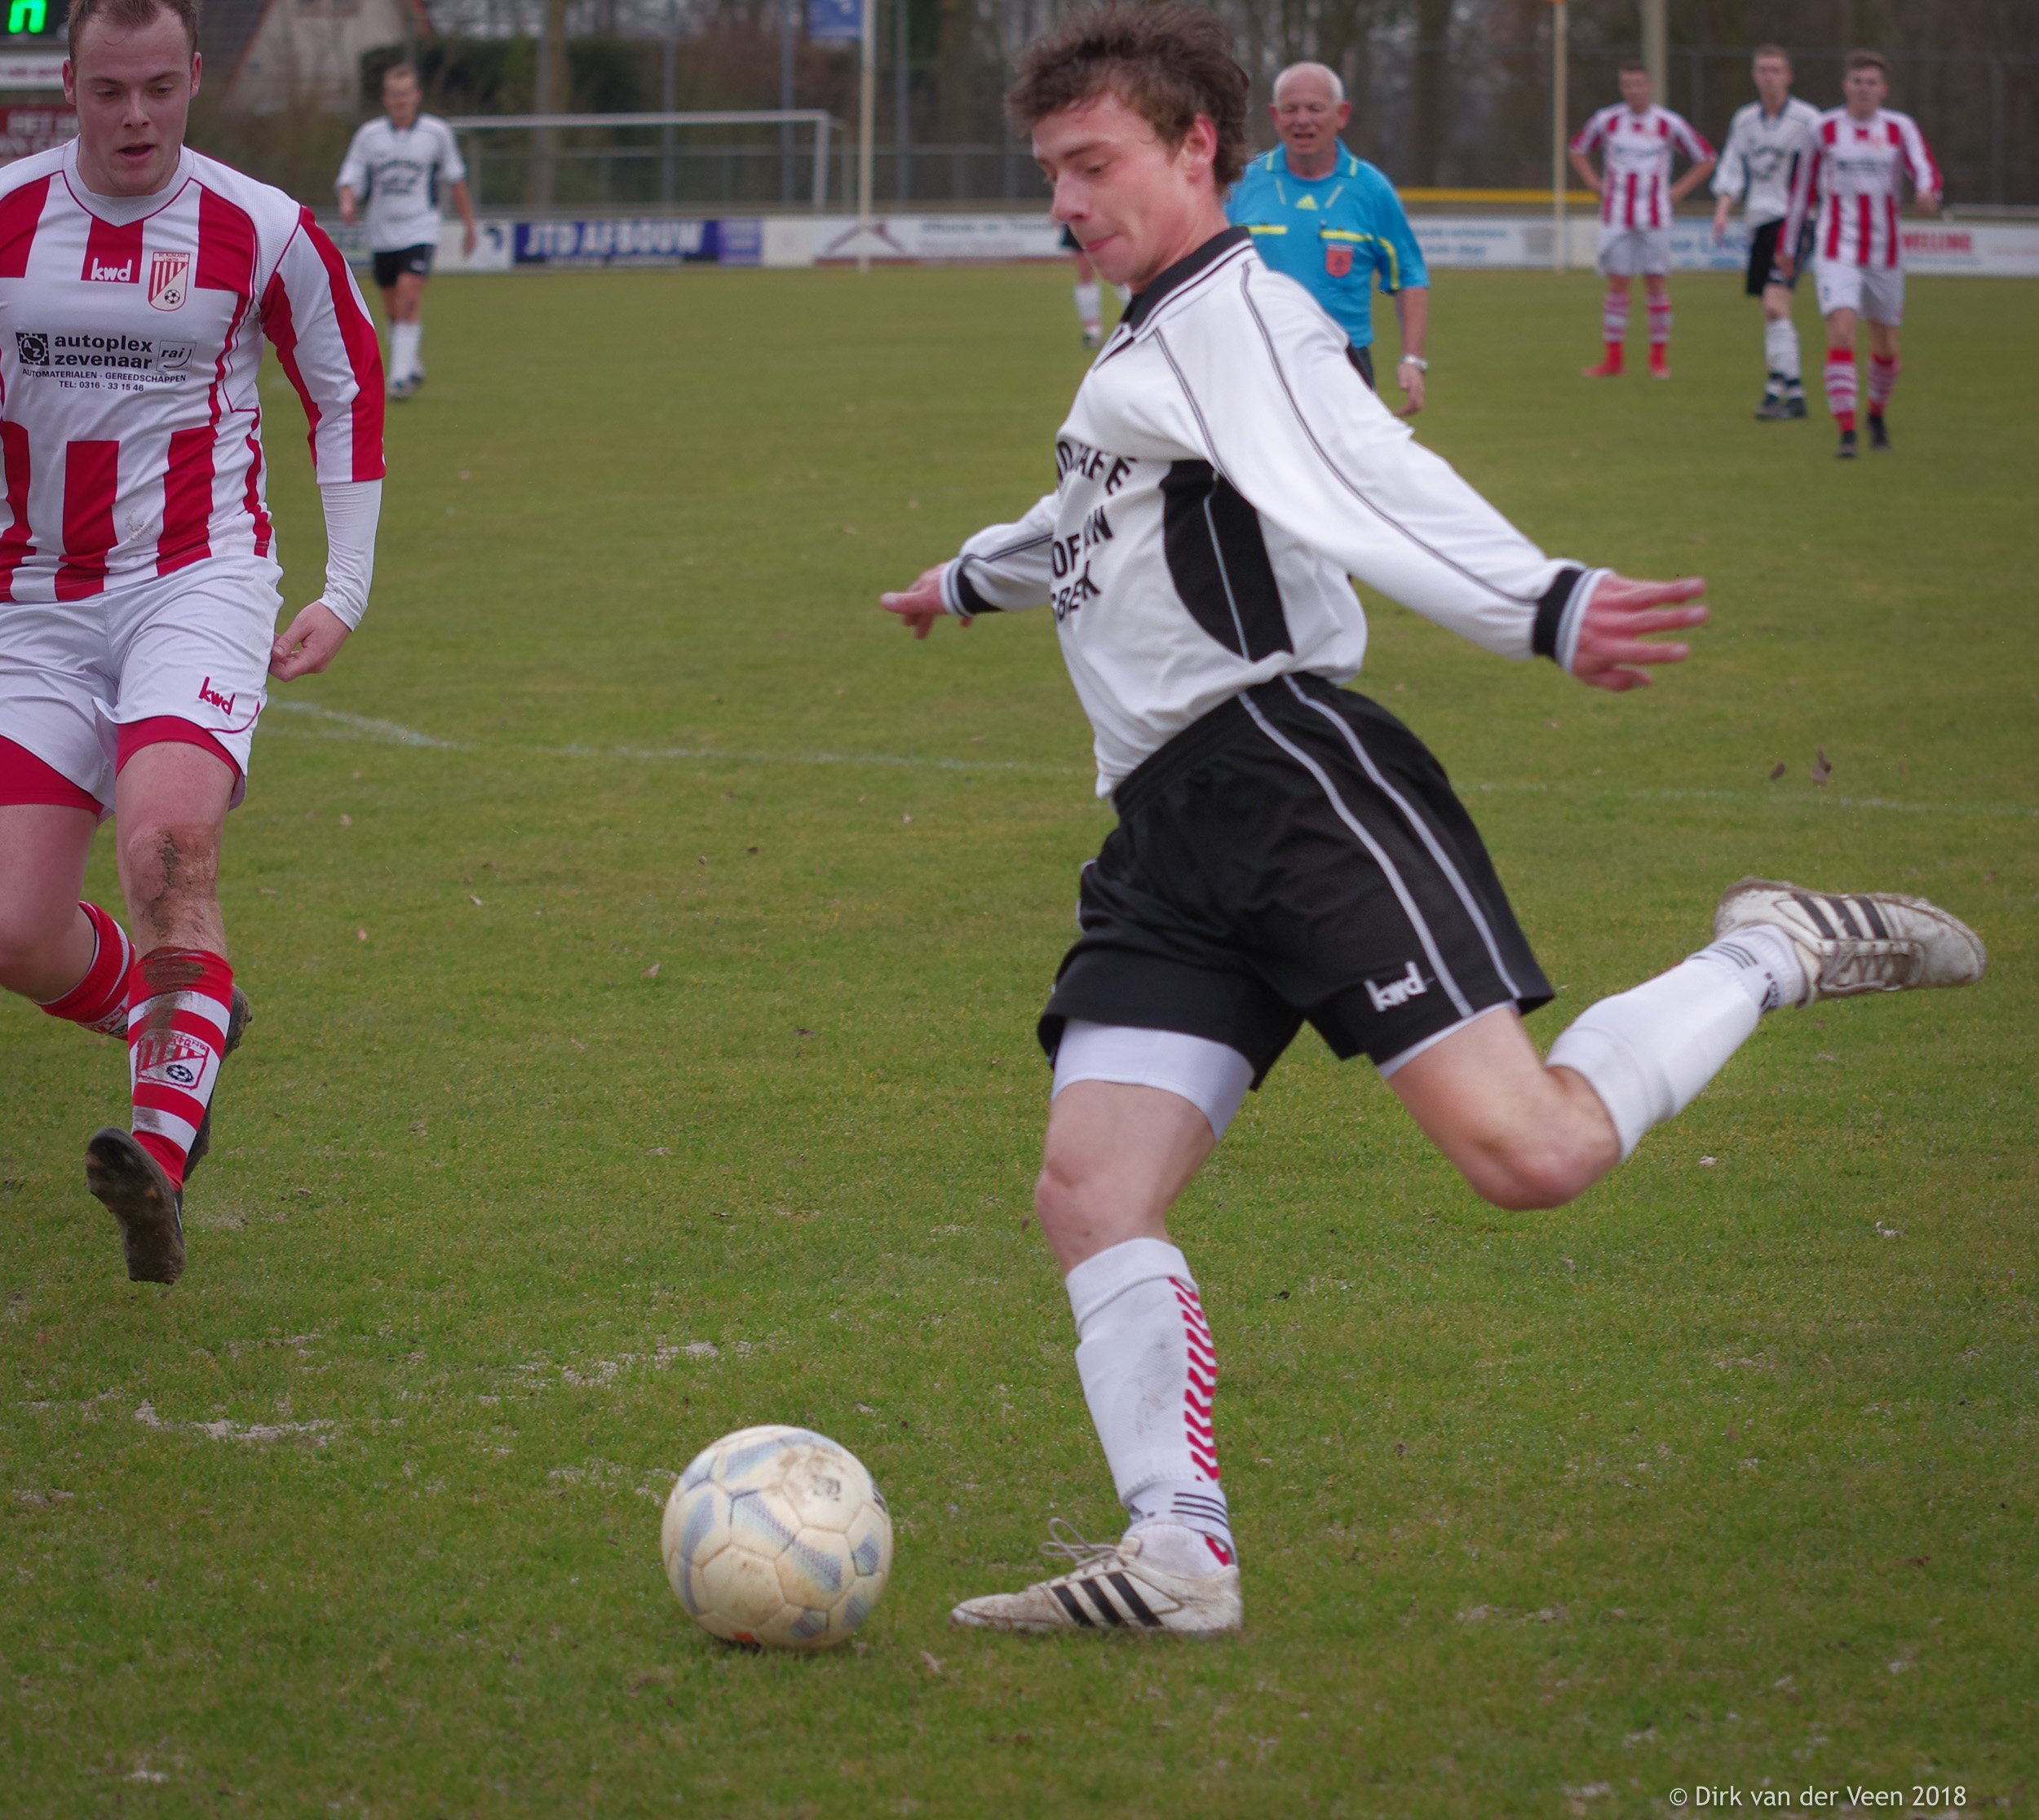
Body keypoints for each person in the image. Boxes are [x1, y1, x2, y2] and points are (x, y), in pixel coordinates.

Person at [878, 3, 1984, 1638]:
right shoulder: (1142, 342)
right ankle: (1178, 1556)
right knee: (1088, 1190)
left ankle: (1770, 951)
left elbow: (1359, 469)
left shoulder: (1244, 313)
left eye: (1092, 163)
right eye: (1051, 170)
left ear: (1196, 147)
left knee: (1531, 1154)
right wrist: (965, 581)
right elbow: (1092, 515)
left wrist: (1541, 601)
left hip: (1290, 783)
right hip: (1167, 837)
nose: (1065, 200)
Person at [0, 0, 384, 1285]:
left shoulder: (261, 226)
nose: (136, 118)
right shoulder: (7, 219)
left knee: (165, 845)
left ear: (196, 77)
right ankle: (183, 1015)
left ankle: (157, 1157)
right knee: (14, 927)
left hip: (195, 581)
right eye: (110, 91)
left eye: (160, 89)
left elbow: (346, 388)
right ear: (69, 84)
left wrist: (345, 586)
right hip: (32, 602)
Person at [1226, 60, 1429, 415]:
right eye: (1291, 109)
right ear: (1275, 116)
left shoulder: (1371, 190)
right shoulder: (1241, 184)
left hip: (1344, 364)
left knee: (1344, 454)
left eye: (1315, 108)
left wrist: (1412, 359)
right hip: (1256, 360)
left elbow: (1409, 276)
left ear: (1342, 114)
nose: (1302, 120)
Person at [1777, 51, 1940, 458]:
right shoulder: (1824, 129)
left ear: (1883, 90)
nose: (1864, 89)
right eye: (1857, 81)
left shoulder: (1900, 127)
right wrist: (1787, 244)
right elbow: (1801, 191)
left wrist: (1927, 192)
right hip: (1837, 248)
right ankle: (1847, 432)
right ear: (1845, 86)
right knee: (1842, 330)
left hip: (1885, 252)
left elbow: (1925, 169)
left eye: (1871, 83)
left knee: (1886, 348)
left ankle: (1876, 415)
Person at [337, 62, 476, 400]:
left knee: (409, 295)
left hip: (420, 227)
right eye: (394, 95)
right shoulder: (369, 135)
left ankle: (399, 379)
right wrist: (347, 202)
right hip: (382, 231)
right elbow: (351, 175)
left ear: (417, 96)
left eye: (406, 94)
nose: (401, 101)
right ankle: (411, 363)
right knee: (392, 307)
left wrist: (470, 225)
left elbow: (456, 179)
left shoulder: (436, 133)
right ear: (386, 98)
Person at [1569, 62, 1714, 380]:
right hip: (1616, 214)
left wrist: (1680, 190)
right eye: (1627, 85)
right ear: (1621, 88)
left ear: (1649, 86)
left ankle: (1658, 360)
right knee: (1617, 285)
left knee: (1655, 283)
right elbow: (1577, 149)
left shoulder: (1668, 123)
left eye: (1638, 84)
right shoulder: (1607, 120)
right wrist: (1592, 181)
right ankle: (1613, 360)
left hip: (1655, 214)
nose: (1633, 91)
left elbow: (1706, 157)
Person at [1709, 44, 1821, 420]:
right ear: (1754, 76)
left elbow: (1826, 167)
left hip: (1794, 222)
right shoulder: (1744, 120)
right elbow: (1732, 169)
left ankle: (1781, 393)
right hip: (1759, 222)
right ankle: (1790, 394)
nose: (1769, 76)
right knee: (1772, 311)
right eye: (1762, 70)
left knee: (1775, 302)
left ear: (1789, 76)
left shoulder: (1809, 120)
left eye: (1776, 70)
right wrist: (1723, 211)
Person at [1062, 222, 1129, 350]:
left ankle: (1133, 324)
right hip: (1083, 218)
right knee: (1085, 273)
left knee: (1123, 273)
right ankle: (1092, 331)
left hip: (1113, 215)